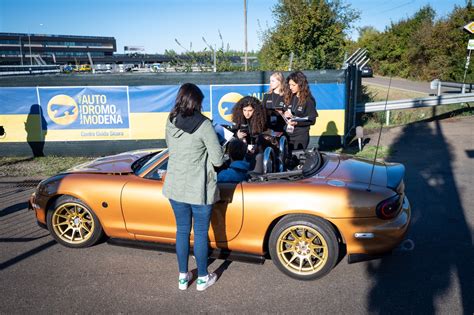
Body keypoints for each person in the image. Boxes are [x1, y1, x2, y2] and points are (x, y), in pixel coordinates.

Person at [163, 83, 224, 291]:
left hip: (175, 186)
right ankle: (203, 278)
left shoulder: (171, 120)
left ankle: (182, 277)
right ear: (197, 101)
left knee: (181, 231)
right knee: (199, 233)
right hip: (199, 189)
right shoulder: (205, 125)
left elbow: (171, 148)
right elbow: (217, 160)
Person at [283, 71, 318, 150]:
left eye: (293, 85)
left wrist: (297, 122)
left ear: (301, 85)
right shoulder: (290, 97)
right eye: (289, 85)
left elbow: (312, 120)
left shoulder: (308, 100)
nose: (290, 87)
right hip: (287, 134)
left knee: (297, 159)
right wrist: (285, 114)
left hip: (300, 136)